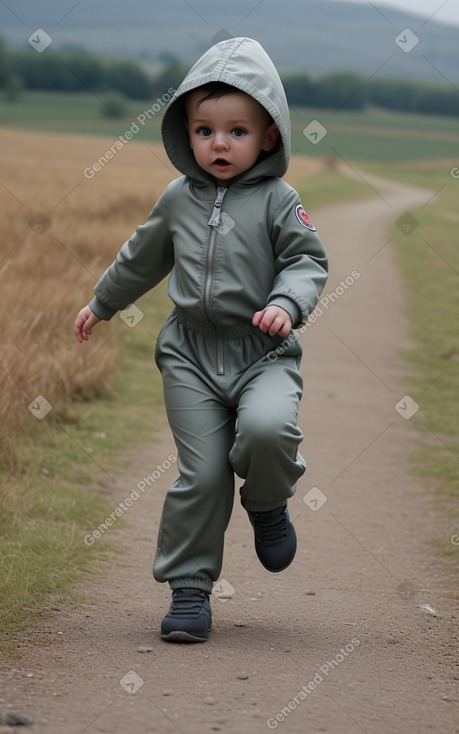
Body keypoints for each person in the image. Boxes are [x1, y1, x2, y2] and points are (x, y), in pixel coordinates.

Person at [74, 37, 328, 643]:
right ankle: (190, 590)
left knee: (267, 430)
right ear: (185, 133)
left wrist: (284, 305)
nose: (219, 143)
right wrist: (102, 303)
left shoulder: (278, 200)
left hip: (262, 352)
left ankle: (266, 503)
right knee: (203, 473)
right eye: (205, 130)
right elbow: (140, 258)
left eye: (237, 131)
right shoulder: (176, 200)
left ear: (269, 136)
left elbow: (306, 264)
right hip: (188, 354)